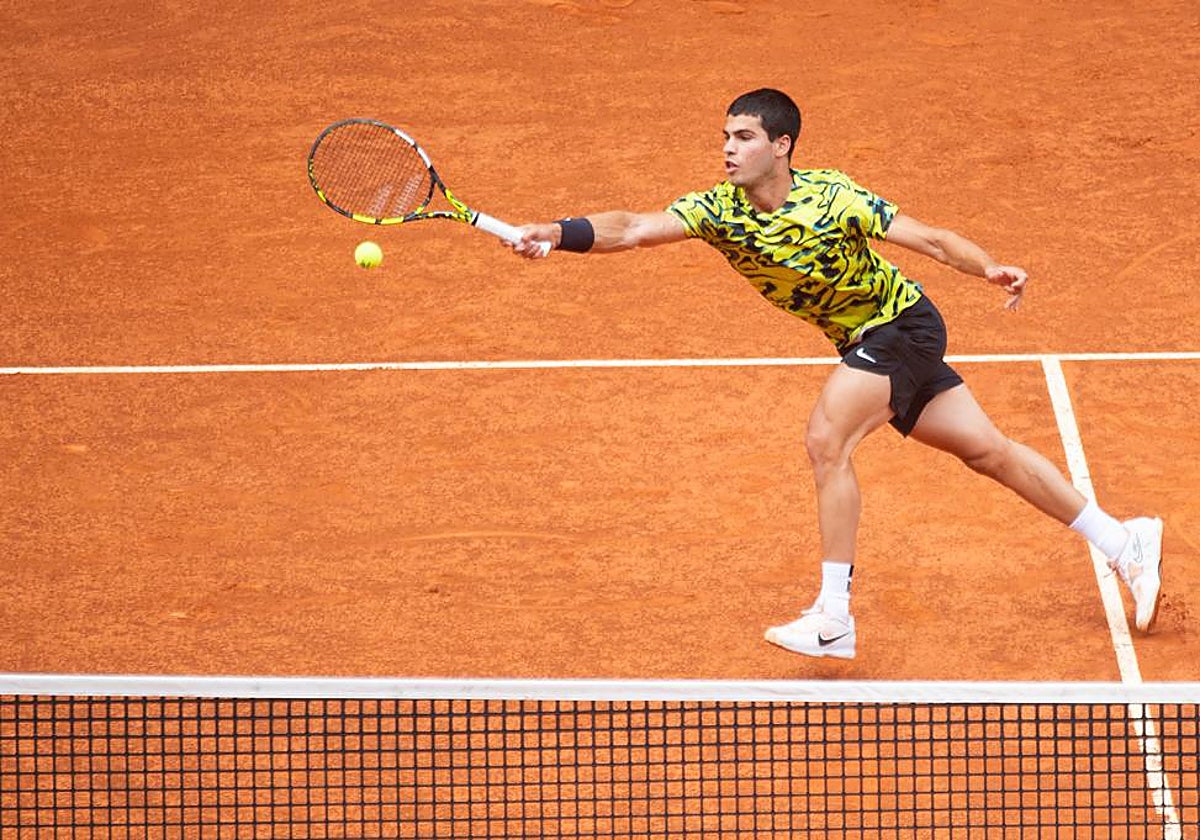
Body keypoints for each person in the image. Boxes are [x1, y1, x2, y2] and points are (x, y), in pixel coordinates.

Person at [507, 88, 1163, 660]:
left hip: (901, 327)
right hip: (865, 340)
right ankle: (1124, 540)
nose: (728, 149)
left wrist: (986, 266)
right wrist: (556, 233)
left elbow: (929, 238)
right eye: (726, 137)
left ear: (782, 145)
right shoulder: (718, 211)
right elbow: (631, 229)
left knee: (827, 441)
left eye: (744, 137)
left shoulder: (833, 197)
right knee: (988, 452)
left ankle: (833, 617)